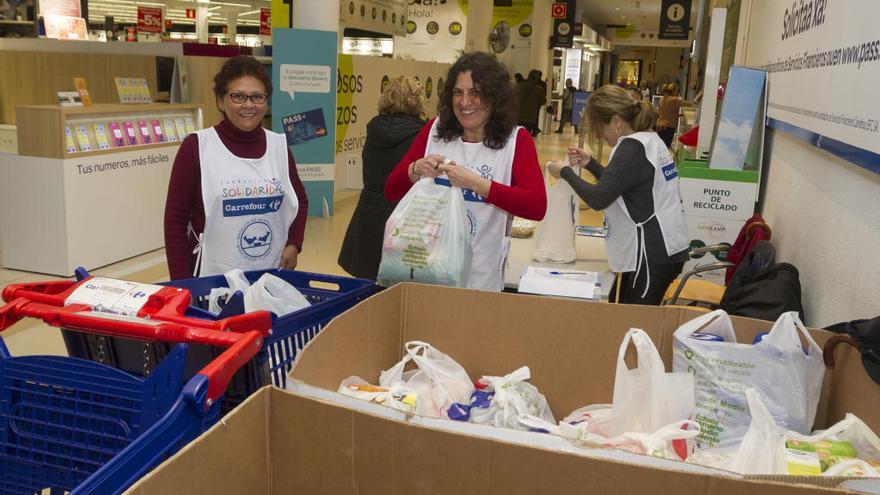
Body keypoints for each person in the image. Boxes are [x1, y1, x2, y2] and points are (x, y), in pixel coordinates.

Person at [385, 51, 547, 291]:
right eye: (458, 93)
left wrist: (477, 184)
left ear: (495, 97)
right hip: (425, 271)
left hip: (480, 278)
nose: (464, 102)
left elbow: (536, 206)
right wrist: (416, 169)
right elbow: (391, 189)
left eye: (475, 93)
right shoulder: (435, 130)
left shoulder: (516, 141)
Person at [164, 56, 308, 280]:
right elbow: (175, 220)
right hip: (211, 280)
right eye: (238, 96)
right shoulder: (197, 147)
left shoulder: (278, 146)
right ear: (220, 101)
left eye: (257, 97)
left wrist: (294, 244)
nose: (249, 104)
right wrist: (183, 285)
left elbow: (300, 201)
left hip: (270, 275)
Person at [546, 84, 688, 305]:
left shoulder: (631, 148)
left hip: (651, 253)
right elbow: (620, 184)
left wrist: (564, 172)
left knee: (634, 323)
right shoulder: (649, 140)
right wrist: (590, 164)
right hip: (665, 245)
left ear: (616, 121)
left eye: (599, 128)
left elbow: (599, 198)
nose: (600, 136)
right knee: (626, 312)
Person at [338, 76, 426, 280]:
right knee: (398, 282)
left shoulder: (373, 130)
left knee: (367, 280)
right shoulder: (421, 135)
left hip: (369, 212)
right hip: (403, 214)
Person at [656, 83, 693, 148]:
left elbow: (660, 111)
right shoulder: (675, 99)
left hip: (659, 125)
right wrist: (696, 102)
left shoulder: (662, 99)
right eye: (676, 90)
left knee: (659, 146)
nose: (677, 92)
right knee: (665, 146)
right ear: (673, 91)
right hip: (668, 126)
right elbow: (689, 104)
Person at [516, 69, 546, 137]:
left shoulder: (520, 85)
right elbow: (543, 101)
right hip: (530, 117)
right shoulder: (539, 89)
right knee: (525, 136)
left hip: (518, 115)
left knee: (516, 136)